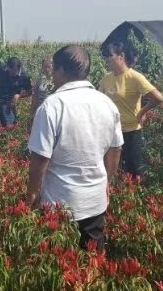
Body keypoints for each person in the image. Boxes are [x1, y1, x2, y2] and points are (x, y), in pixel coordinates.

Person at [27, 46, 123, 251]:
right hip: (95, 201)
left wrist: (32, 193)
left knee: (59, 264)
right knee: (92, 266)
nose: (51, 74)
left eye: (54, 70)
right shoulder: (106, 103)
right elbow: (115, 150)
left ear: (61, 70)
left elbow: (40, 158)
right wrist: (108, 182)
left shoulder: (52, 105)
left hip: (59, 203)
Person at [99, 41, 163, 179]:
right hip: (112, 132)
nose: (106, 60)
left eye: (109, 56)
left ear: (121, 56)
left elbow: (158, 97)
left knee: (135, 171)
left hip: (131, 132)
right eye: (105, 57)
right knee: (112, 171)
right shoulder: (106, 79)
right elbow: (99, 102)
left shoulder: (135, 77)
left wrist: (142, 112)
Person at [0, 57, 32, 129]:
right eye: (9, 71)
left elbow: (30, 92)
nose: (11, 73)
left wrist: (18, 95)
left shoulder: (25, 76)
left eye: (14, 71)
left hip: (10, 105)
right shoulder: (1, 69)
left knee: (9, 127)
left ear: (18, 68)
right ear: (7, 67)